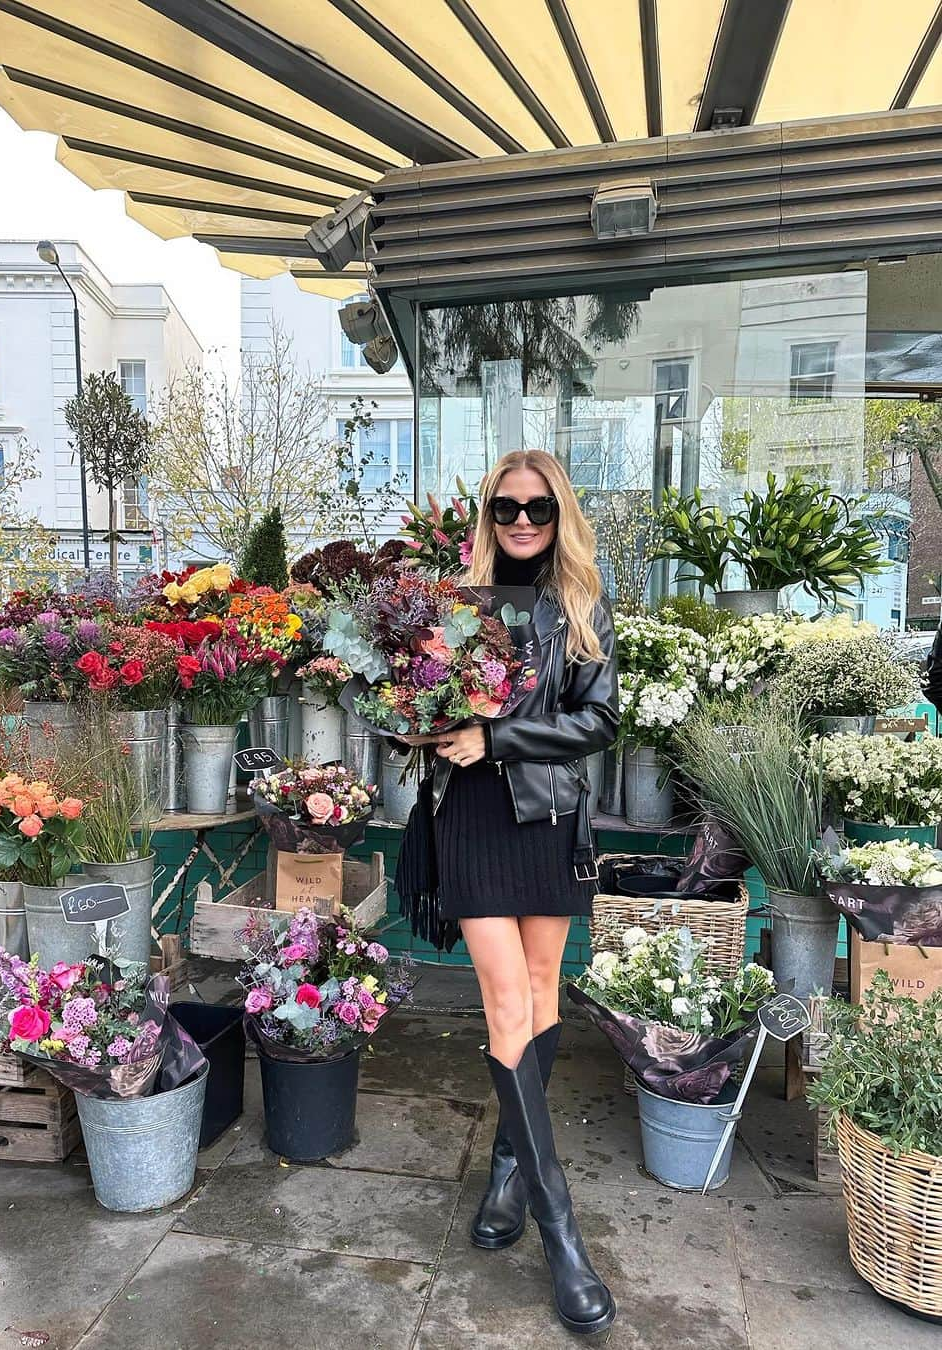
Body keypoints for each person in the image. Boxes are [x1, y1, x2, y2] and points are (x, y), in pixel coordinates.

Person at [399, 449, 618, 1337]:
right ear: (487, 515)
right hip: (475, 824)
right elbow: (415, 707)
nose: (521, 520)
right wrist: (426, 726)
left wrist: (500, 738)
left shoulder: (583, 607)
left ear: (559, 514)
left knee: (537, 993)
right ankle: (562, 1233)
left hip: (550, 822)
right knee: (501, 995)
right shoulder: (455, 606)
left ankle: (505, 1170)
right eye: (505, 507)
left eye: (536, 508)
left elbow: (600, 721)